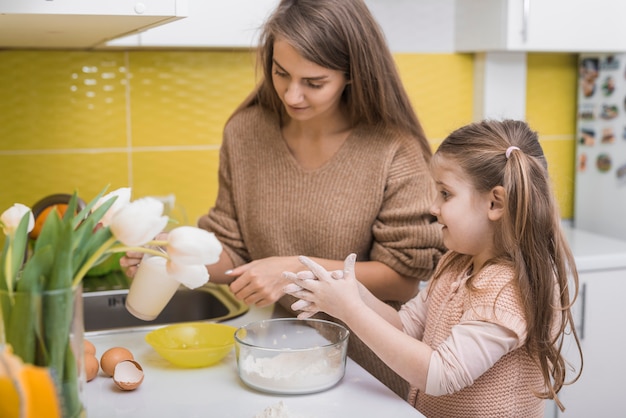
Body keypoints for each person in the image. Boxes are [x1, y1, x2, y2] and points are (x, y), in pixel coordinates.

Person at [121, 0, 445, 398]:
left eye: (314, 82)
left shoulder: (394, 149)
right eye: (281, 73)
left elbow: (402, 280)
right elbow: (234, 252)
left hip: (370, 373)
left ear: (351, 75)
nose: (292, 95)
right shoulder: (245, 132)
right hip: (278, 357)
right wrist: (172, 255)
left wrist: (296, 270)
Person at [284, 120, 583, 417]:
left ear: (495, 203)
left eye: (445, 194)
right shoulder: (457, 263)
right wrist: (356, 294)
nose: (433, 207)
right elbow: (406, 327)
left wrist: (351, 310)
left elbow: (441, 375)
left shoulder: (508, 290)